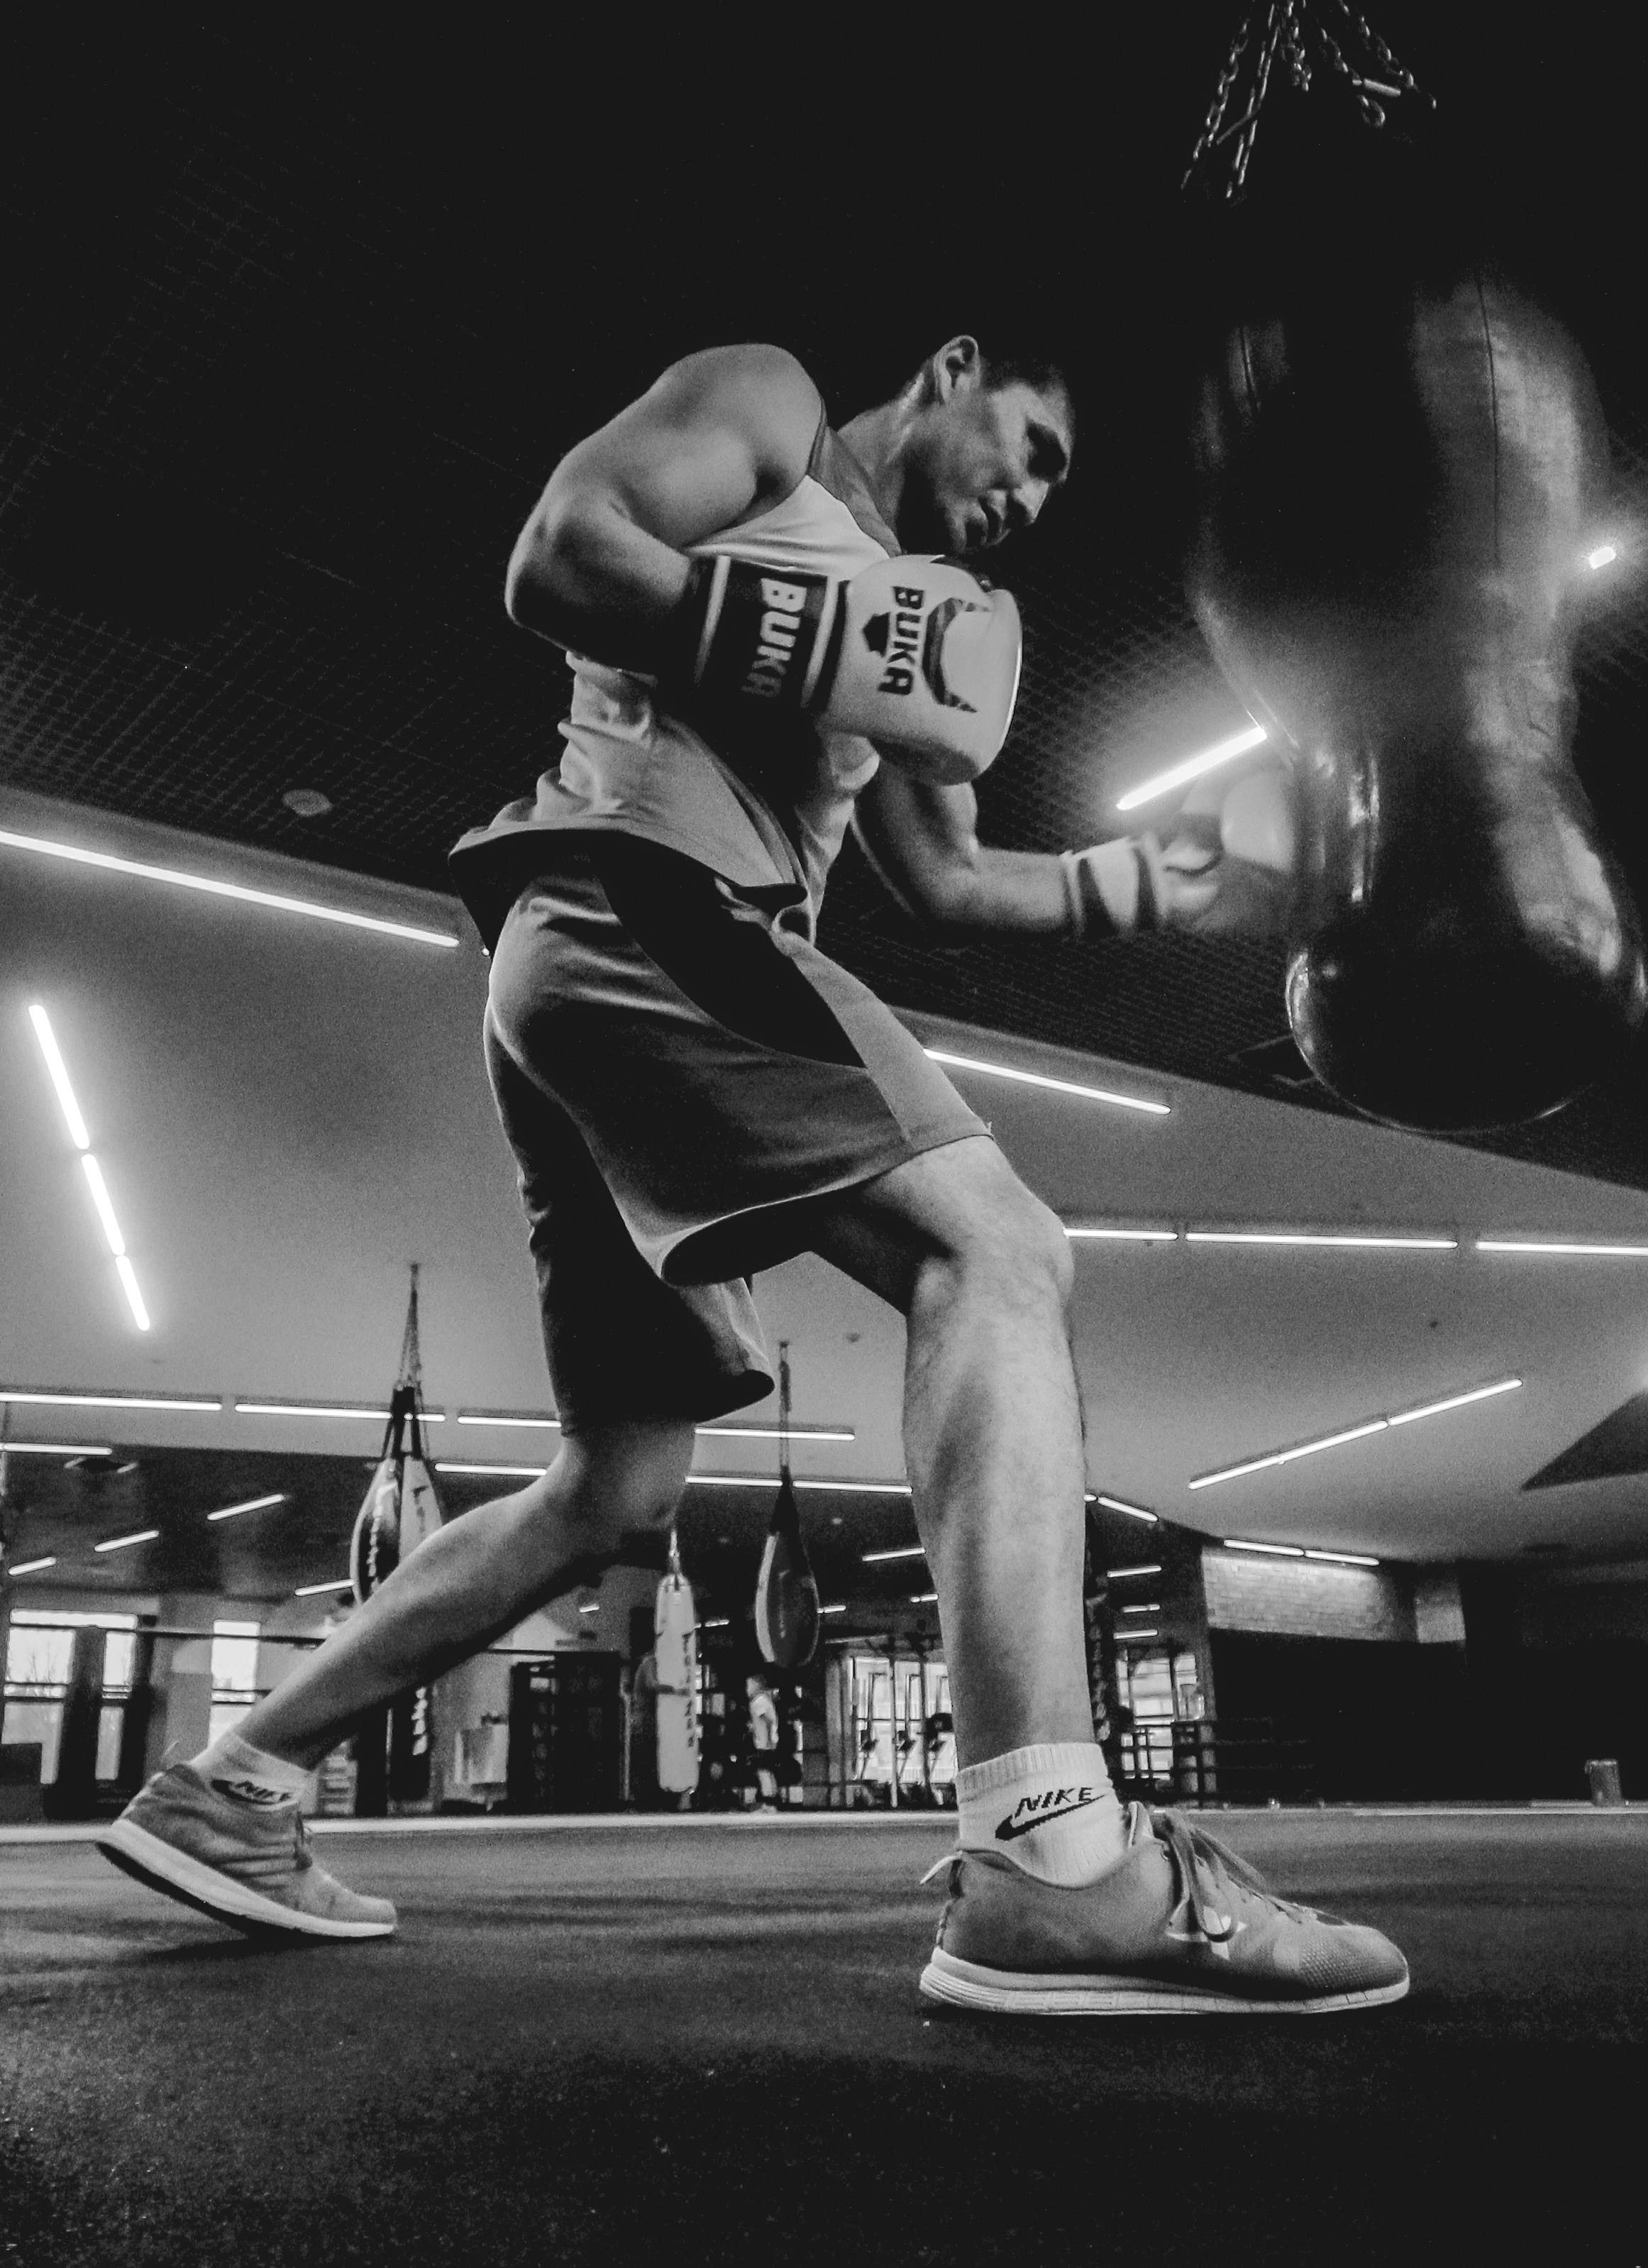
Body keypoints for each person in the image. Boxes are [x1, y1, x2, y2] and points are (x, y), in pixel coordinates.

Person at [100, 335, 1408, 2013]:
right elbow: (563, 554)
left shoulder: (935, 630)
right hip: (641, 901)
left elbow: (946, 881)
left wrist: (1161, 882)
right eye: (1032, 446)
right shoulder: (775, 420)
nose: (1025, 496)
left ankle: (235, 1786)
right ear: (951, 372)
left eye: (1050, 489)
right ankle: (1055, 1859)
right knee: (998, 1250)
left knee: (615, 1489)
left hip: (594, 980)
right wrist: (828, 637)